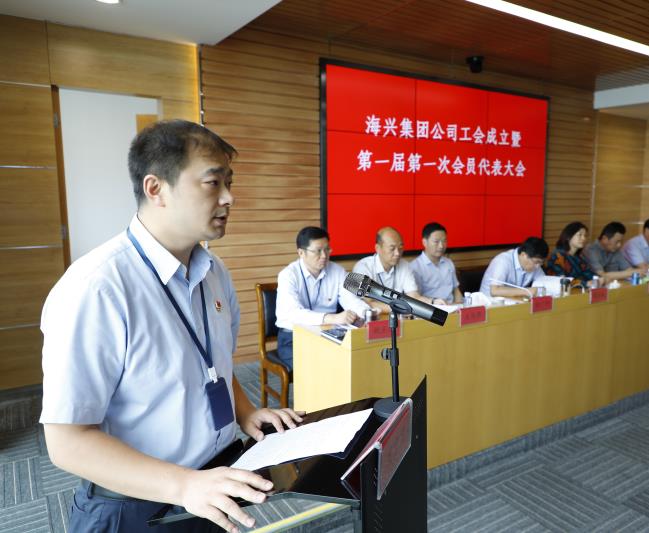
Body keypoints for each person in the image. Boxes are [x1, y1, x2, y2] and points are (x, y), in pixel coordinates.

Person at [39, 120, 303, 533]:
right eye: (213, 182)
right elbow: (67, 442)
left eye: (229, 182)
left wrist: (246, 412)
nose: (229, 197)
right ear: (155, 188)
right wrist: (183, 485)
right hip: (136, 504)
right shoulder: (96, 287)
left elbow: (214, 365)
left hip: (212, 484)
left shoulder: (214, 272)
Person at [275, 226, 370, 369]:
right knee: (317, 368)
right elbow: (293, 313)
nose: (324, 255)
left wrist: (367, 314)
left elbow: (351, 300)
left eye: (327, 249)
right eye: (318, 251)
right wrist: (332, 318)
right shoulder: (288, 275)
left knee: (352, 361)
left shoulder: (337, 271)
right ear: (301, 252)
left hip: (327, 333)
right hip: (293, 337)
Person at [352, 226, 424, 313]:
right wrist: (402, 308)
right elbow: (367, 303)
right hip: (374, 316)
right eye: (392, 249)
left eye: (400, 247)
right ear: (378, 248)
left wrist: (433, 302)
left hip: (399, 315)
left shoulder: (404, 265)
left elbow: (414, 296)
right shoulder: (363, 267)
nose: (397, 253)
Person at [410, 222, 463, 305]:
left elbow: (456, 290)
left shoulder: (448, 263)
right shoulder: (415, 267)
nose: (441, 246)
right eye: (436, 241)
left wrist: (460, 305)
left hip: (452, 307)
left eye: (444, 241)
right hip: (430, 308)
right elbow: (416, 297)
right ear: (424, 242)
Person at [479, 237, 549, 298]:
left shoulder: (535, 264)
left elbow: (545, 283)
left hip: (512, 302)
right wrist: (526, 291)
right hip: (489, 303)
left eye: (541, 263)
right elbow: (494, 291)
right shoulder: (503, 261)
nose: (538, 266)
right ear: (523, 255)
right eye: (536, 262)